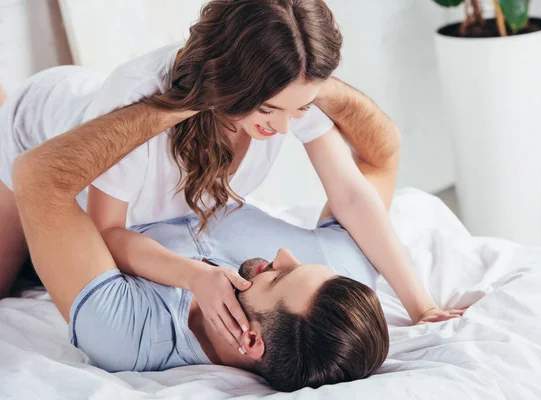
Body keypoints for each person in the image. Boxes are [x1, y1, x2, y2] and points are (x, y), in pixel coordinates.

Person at [1, 0, 463, 354]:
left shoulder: (287, 86)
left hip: (101, 108)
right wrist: (194, 277)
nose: (283, 128)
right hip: (39, 127)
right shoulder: (142, 105)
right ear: (228, 82)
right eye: (268, 110)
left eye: (300, 108)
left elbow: (353, 197)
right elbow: (108, 233)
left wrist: (421, 306)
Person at [10, 100, 392, 392]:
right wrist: (312, 87)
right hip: (132, 106)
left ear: (251, 339)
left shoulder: (127, 332)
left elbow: (37, 175)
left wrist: (188, 97)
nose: (284, 255)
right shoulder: (337, 285)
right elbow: (381, 157)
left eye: (279, 277)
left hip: (57, 130)